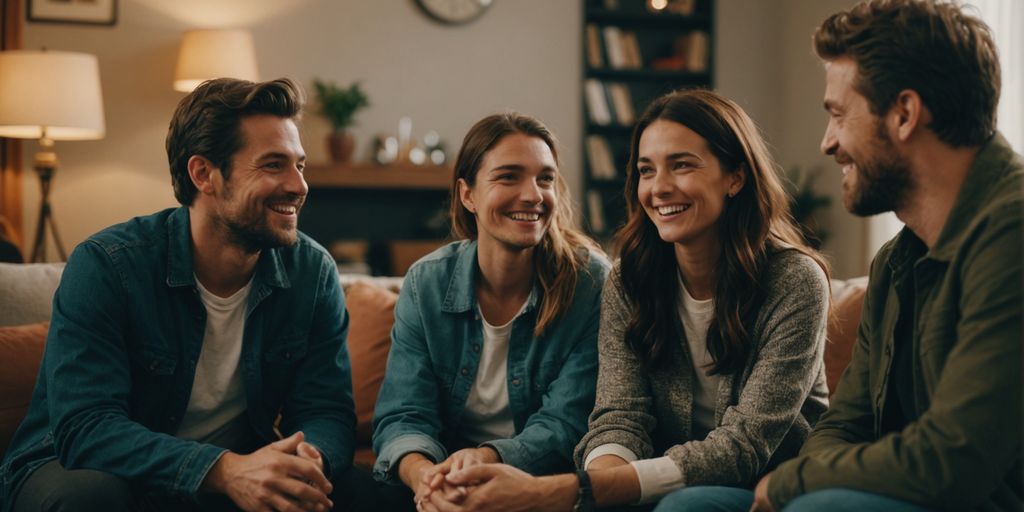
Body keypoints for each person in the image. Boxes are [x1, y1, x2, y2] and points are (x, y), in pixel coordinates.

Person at [418, 89, 832, 512]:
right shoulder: (629, 281)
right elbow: (619, 415)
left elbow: (746, 445)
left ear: (735, 177)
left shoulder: (795, 281)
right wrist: (599, 485)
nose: (659, 188)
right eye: (646, 171)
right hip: (656, 481)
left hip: (768, 483)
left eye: (682, 165)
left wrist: (567, 491)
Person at [0, 78, 357, 512]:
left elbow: (327, 411)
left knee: (360, 489)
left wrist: (303, 463)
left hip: (235, 472)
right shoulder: (107, 265)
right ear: (203, 174)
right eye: (273, 165)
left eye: (299, 165)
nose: (299, 185)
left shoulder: (312, 273)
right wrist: (224, 470)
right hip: (86, 469)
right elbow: (86, 427)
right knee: (89, 499)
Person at [750, 1, 1022, 511]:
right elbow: (846, 422)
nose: (827, 142)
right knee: (697, 501)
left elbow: (953, 458)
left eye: (837, 114)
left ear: (904, 114)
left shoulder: (1012, 234)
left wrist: (793, 484)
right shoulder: (896, 260)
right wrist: (806, 479)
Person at [361, 112, 609, 511]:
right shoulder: (426, 284)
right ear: (467, 194)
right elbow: (404, 415)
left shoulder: (590, 284)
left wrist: (485, 459)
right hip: (445, 475)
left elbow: (567, 423)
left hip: (537, 483)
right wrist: (426, 478)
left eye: (544, 178)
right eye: (508, 176)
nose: (532, 195)